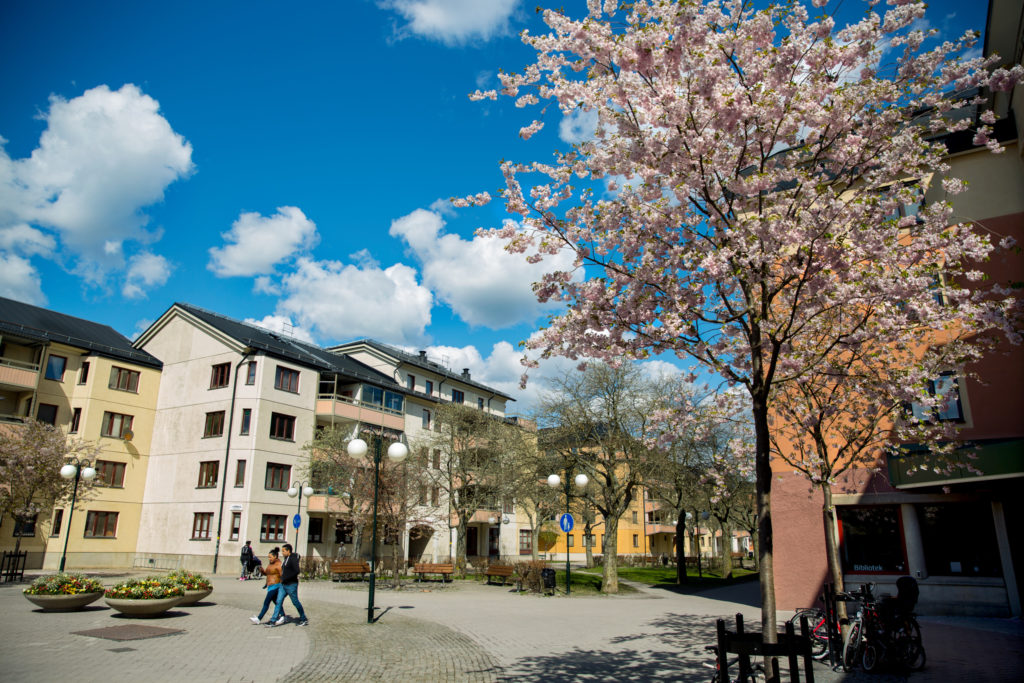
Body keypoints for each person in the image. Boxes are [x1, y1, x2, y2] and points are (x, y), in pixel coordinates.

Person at [269, 543, 307, 627]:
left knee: (295, 602)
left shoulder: (293, 559)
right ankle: (273, 620)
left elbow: (297, 571)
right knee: (278, 601)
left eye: (283, 551)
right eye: (282, 551)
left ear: (288, 551)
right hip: (283, 585)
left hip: (291, 585)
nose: (282, 553)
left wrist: (286, 578)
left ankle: (303, 618)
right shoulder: (285, 559)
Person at [249, 548, 287, 624]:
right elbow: (266, 573)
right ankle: (283, 616)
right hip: (270, 587)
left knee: (266, 602)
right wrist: (261, 570)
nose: (269, 559)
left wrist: (282, 587)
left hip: (276, 586)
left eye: (270, 557)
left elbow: (282, 576)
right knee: (276, 602)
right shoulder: (270, 564)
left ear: (275, 556)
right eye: (268, 557)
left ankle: (259, 618)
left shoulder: (279, 565)